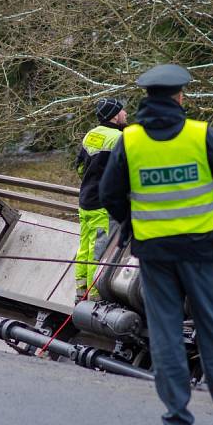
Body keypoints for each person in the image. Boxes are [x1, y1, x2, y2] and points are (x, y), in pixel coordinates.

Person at [100, 63, 213, 425]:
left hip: (153, 254)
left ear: (146, 99)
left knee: (166, 334)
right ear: (180, 96)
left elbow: (108, 195)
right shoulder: (201, 135)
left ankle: (176, 421)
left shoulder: (130, 141)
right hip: (201, 250)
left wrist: (132, 224)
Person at [73, 97, 127, 301]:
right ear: (114, 116)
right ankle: (94, 295)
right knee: (99, 250)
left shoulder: (91, 135)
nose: (125, 114)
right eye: (122, 111)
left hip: (85, 200)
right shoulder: (119, 139)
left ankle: (80, 290)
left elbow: (80, 167)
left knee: (85, 247)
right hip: (103, 206)